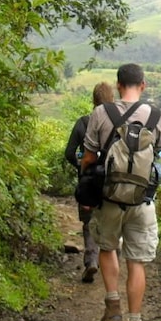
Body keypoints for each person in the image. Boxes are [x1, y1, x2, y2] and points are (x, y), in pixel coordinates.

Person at [80, 63, 161, 321]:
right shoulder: (156, 115)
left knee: (108, 247)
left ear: (118, 84)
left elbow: (87, 158)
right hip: (142, 200)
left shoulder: (101, 113)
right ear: (143, 85)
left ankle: (112, 304)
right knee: (137, 262)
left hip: (109, 198)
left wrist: (88, 182)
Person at [65, 81, 116, 283]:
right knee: (112, 220)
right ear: (112, 100)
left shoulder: (83, 122)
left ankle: (92, 261)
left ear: (93, 100)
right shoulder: (121, 123)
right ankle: (112, 264)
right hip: (113, 181)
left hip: (89, 182)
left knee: (89, 223)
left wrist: (81, 167)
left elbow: (69, 153)